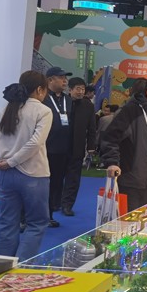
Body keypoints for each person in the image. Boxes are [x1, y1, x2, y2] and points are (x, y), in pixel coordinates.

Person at [0, 71, 52, 261]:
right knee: (36, 223)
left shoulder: (8, 108)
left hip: (5, 172)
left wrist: (6, 160)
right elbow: (35, 143)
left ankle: (2, 268)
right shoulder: (43, 110)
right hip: (33, 174)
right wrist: (13, 161)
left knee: (7, 222)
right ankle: (21, 269)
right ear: (39, 89)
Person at [101, 75, 147, 211]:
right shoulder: (130, 111)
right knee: (129, 221)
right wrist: (112, 162)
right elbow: (110, 137)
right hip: (131, 182)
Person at [60, 77, 97, 216]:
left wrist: (91, 147)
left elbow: (92, 128)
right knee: (57, 177)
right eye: (78, 89)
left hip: (77, 147)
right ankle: (55, 202)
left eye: (83, 89)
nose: (81, 92)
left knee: (73, 178)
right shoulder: (62, 102)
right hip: (60, 147)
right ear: (70, 90)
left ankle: (67, 205)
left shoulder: (88, 106)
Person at [42, 66, 73, 227]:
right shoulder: (43, 97)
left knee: (56, 184)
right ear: (50, 80)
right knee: (41, 184)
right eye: (61, 78)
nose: (65, 81)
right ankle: (30, 217)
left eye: (65, 78)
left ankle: (49, 215)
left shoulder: (68, 100)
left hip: (62, 149)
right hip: (45, 148)